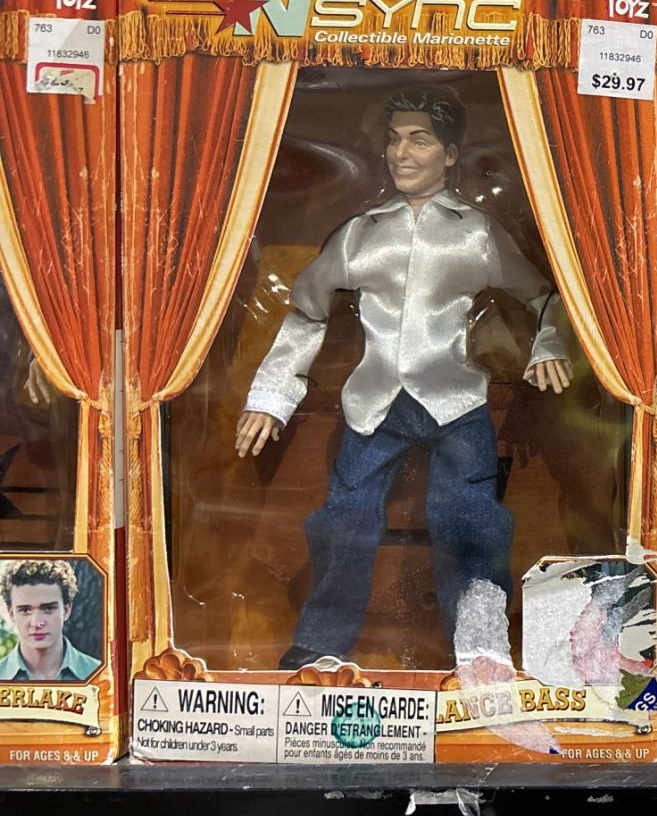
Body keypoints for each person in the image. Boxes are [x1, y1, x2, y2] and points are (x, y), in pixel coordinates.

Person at [237, 85, 573, 670]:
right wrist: (272, 396)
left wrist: (548, 346)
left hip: (456, 401)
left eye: (420, 140)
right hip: (374, 401)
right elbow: (307, 312)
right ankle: (321, 642)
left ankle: (480, 647)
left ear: (450, 154)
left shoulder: (478, 233)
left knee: (472, 521)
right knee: (342, 519)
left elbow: (547, 296)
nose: (402, 153)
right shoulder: (360, 233)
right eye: (394, 140)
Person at [0, 559, 99, 681]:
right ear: (11, 614)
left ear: (66, 610)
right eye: (25, 610)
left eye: (48, 608)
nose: (37, 623)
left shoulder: (101, 674)